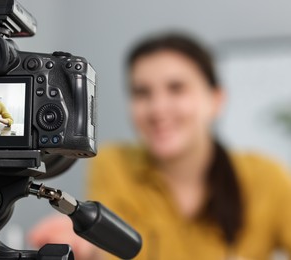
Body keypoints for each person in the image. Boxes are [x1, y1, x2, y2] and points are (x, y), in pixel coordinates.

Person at [28, 33, 291, 260]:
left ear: (216, 100)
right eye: (142, 93)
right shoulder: (114, 164)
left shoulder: (266, 178)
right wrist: (83, 242)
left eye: (176, 88)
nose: (158, 109)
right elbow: (106, 248)